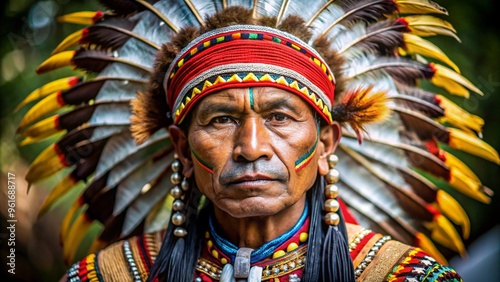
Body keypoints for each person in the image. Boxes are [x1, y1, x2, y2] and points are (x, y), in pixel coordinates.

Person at [18, 0, 497, 281]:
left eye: (281, 116)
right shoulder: (106, 276)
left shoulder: (405, 277)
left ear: (326, 142)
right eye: (222, 120)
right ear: (183, 149)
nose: (252, 147)